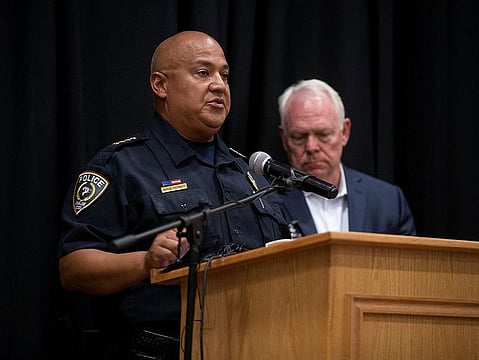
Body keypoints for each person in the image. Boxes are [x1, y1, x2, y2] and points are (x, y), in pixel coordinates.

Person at [58, 30, 288, 360]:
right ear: (160, 85)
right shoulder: (123, 166)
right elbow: (73, 268)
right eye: (202, 72)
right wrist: (146, 262)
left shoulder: (247, 173)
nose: (219, 85)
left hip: (255, 346)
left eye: (224, 75)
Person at [277, 79, 416, 236]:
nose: (311, 147)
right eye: (299, 136)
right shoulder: (266, 203)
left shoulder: (388, 202)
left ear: (344, 132)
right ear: (284, 138)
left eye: (323, 134)